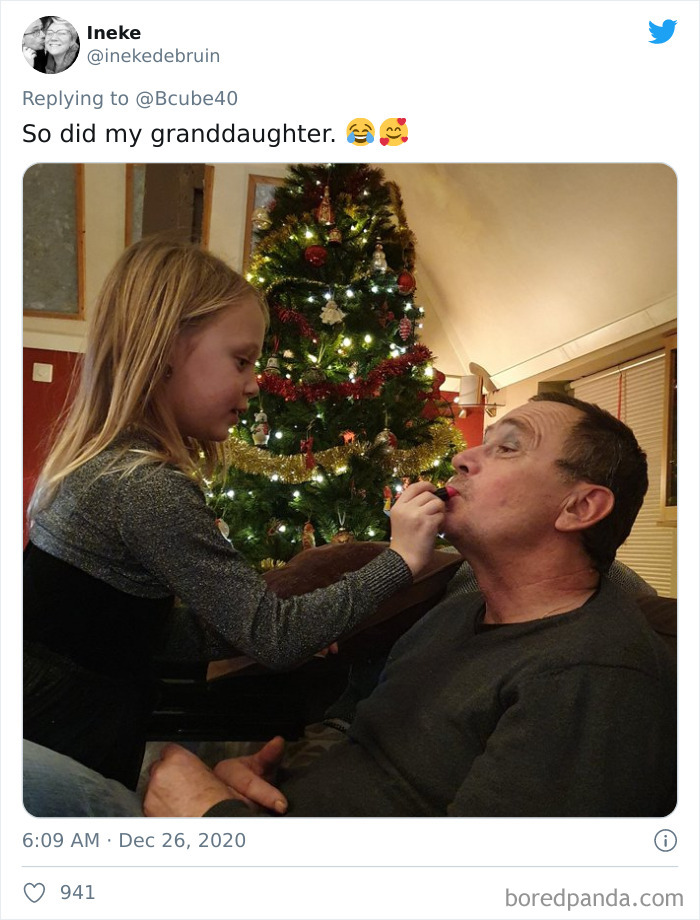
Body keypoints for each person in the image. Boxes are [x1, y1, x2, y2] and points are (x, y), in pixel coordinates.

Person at [24, 393, 676, 817]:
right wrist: (258, 772)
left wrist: (214, 823)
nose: (463, 456)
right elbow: (356, 727)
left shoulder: (590, 680)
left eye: (508, 446)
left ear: (580, 506)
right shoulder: (459, 598)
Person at [24, 237, 445, 792]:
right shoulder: (146, 487)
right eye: (242, 360)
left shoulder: (101, 462)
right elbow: (276, 638)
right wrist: (401, 560)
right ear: (166, 348)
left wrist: (288, 620)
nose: (254, 382)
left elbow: (122, 627)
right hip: (65, 734)